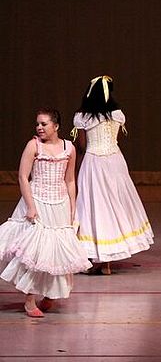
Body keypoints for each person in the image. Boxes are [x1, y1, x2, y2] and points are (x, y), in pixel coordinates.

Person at [0, 108, 92, 317]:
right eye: (37, 124)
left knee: (58, 254)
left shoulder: (69, 148)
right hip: (38, 201)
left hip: (59, 203)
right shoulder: (33, 146)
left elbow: (70, 180)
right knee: (36, 252)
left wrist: (72, 207)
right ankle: (30, 300)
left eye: (44, 124)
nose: (39, 128)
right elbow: (23, 177)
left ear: (56, 126)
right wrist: (31, 206)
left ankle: (50, 296)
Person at [72, 75, 154, 275]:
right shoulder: (117, 114)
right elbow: (115, 139)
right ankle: (106, 262)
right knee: (114, 204)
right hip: (115, 162)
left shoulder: (83, 117)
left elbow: (82, 146)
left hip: (94, 163)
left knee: (96, 207)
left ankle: (100, 259)